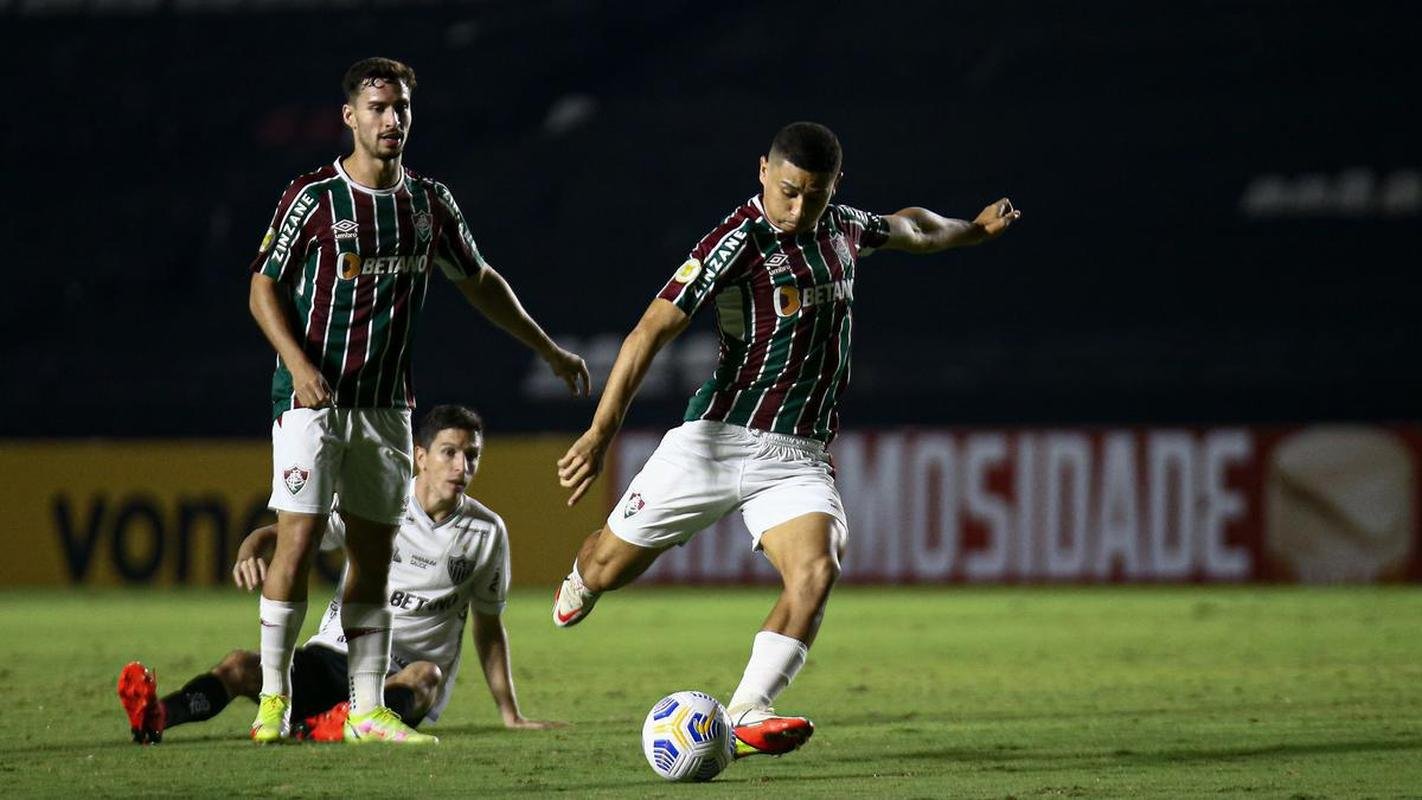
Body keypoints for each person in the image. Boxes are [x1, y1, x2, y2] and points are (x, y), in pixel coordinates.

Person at [552, 121, 1020, 758]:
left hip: (796, 457)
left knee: (817, 570)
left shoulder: (844, 227)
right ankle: (582, 580)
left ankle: (748, 707)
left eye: (815, 195)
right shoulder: (735, 242)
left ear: (835, 188)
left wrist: (971, 229)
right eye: (789, 191)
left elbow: (912, 227)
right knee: (608, 565)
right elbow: (649, 331)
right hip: (713, 440)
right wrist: (602, 430)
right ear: (764, 173)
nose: (800, 208)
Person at [246, 57, 589, 744]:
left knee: (373, 554)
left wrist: (547, 348)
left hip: (385, 407)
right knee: (300, 539)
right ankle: (272, 699)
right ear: (350, 116)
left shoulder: (429, 204)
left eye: (400, 106)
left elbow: (481, 280)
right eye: (377, 107)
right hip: (312, 399)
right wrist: (296, 363)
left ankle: (368, 710)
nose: (391, 119)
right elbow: (262, 287)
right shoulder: (313, 198)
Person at [118, 405, 564, 744]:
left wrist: (510, 712)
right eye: (450, 453)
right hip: (332, 657)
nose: (462, 467)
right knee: (238, 666)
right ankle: (159, 715)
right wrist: (251, 544)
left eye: (472, 455)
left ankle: (345, 722)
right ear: (420, 457)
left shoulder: (487, 533)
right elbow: (293, 533)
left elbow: (488, 628)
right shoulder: (377, 506)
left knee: (428, 676)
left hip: (399, 676)